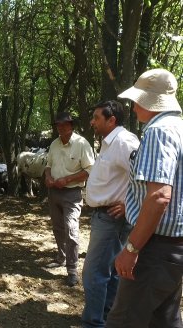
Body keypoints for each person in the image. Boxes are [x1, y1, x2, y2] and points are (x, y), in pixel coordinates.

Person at [106, 69, 183, 327]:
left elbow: (160, 196)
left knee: (123, 320)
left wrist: (131, 248)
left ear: (150, 101)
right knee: (162, 319)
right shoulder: (179, 128)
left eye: (137, 99)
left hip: (154, 247)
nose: (134, 105)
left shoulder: (158, 131)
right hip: (173, 249)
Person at [82, 100, 139, 327]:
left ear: (111, 120)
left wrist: (128, 203)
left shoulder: (125, 142)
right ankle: (108, 317)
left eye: (96, 118)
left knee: (93, 273)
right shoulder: (109, 142)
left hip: (111, 219)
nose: (92, 122)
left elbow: (145, 177)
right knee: (111, 271)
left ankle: (93, 323)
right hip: (104, 217)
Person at [44, 111, 95, 287]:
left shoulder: (82, 144)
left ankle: (72, 269)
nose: (61, 128)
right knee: (58, 228)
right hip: (54, 193)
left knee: (71, 229)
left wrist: (68, 179)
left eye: (64, 124)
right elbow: (48, 165)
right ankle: (61, 257)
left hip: (72, 194)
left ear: (72, 126)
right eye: (58, 125)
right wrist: (48, 177)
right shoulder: (54, 144)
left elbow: (90, 170)